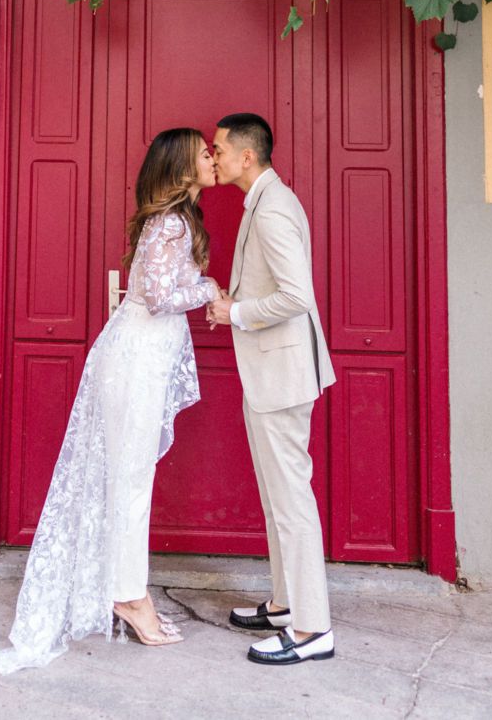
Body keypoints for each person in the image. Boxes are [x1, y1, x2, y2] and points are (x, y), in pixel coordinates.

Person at [0, 128, 220, 674]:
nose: (212, 158)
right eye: (204, 153)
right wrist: (210, 290)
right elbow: (158, 299)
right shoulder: (173, 224)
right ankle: (130, 597)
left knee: (128, 480)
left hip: (139, 359)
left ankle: (125, 589)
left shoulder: (175, 223)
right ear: (181, 169)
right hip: (135, 361)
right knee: (129, 482)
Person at [207, 112, 337, 667]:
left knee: (292, 505)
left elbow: (296, 296)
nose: (212, 156)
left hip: (281, 378)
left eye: (218, 149)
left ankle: (312, 631)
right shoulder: (263, 199)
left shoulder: (273, 208)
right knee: (276, 501)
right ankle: (285, 606)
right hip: (271, 375)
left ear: (246, 157)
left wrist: (235, 311)